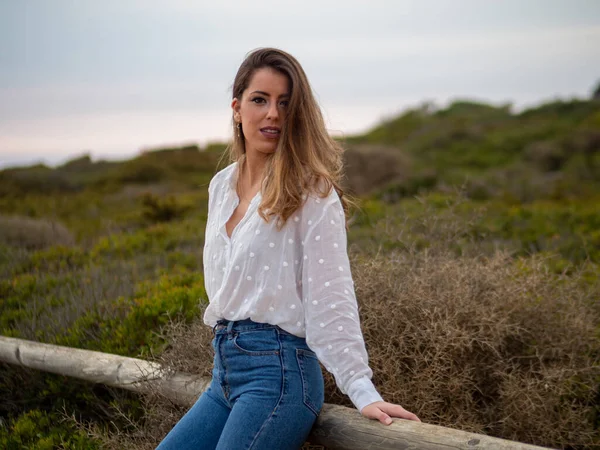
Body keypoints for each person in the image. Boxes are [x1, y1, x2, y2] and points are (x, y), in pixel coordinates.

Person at [156, 47, 420, 450]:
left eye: (285, 103)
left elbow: (331, 297)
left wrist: (363, 391)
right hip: (224, 373)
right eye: (259, 100)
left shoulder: (311, 190)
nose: (273, 114)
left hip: (278, 377)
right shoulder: (221, 186)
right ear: (237, 108)